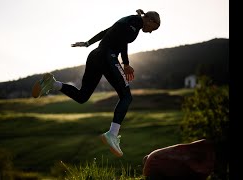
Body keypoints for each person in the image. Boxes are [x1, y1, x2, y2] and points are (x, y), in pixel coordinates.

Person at [32, 9, 161, 157]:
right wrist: (125, 64)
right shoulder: (134, 24)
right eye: (153, 29)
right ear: (150, 20)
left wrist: (88, 43)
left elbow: (107, 31)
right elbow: (124, 40)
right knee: (126, 97)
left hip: (95, 55)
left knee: (82, 96)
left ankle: (52, 84)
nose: (151, 32)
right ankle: (112, 134)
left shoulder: (131, 21)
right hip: (108, 57)